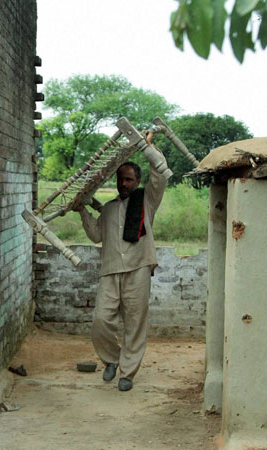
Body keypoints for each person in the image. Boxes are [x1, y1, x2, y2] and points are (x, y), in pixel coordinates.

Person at [74, 158, 168, 391]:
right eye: (120, 179)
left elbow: (161, 176)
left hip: (139, 268)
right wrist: (82, 210)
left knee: (135, 323)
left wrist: (150, 149)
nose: (123, 184)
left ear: (137, 181)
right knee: (101, 321)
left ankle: (127, 372)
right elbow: (96, 235)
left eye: (129, 179)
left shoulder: (146, 200)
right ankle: (112, 359)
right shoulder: (109, 208)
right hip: (111, 270)